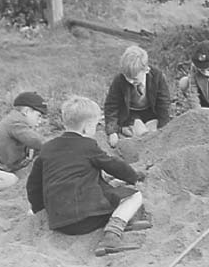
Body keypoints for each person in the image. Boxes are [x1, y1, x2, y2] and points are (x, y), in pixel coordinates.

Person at [26, 96, 148, 256]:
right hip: (87, 219)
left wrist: (39, 210)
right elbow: (113, 165)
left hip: (59, 222)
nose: (96, 130)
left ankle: (114, 221)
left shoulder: (47, 148)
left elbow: (33, 185)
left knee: (101, 187)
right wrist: (133, 177)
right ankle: (112, 234)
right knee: (134, 196)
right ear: (86, 128)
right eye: (95, 126)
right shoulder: (88, 145)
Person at [104, 45, 171, 148]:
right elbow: (111, 106)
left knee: (154, 132)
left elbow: (164, 104)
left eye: (134, 79)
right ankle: (126, 129)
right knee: (141, 134)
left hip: (150, 112)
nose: (131, 81)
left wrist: (164, 128)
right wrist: (112, 131)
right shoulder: (119, 80)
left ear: (146, 70)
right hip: (131, 113)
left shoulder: (157, 76)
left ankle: (133, 131)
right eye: (128, 78)